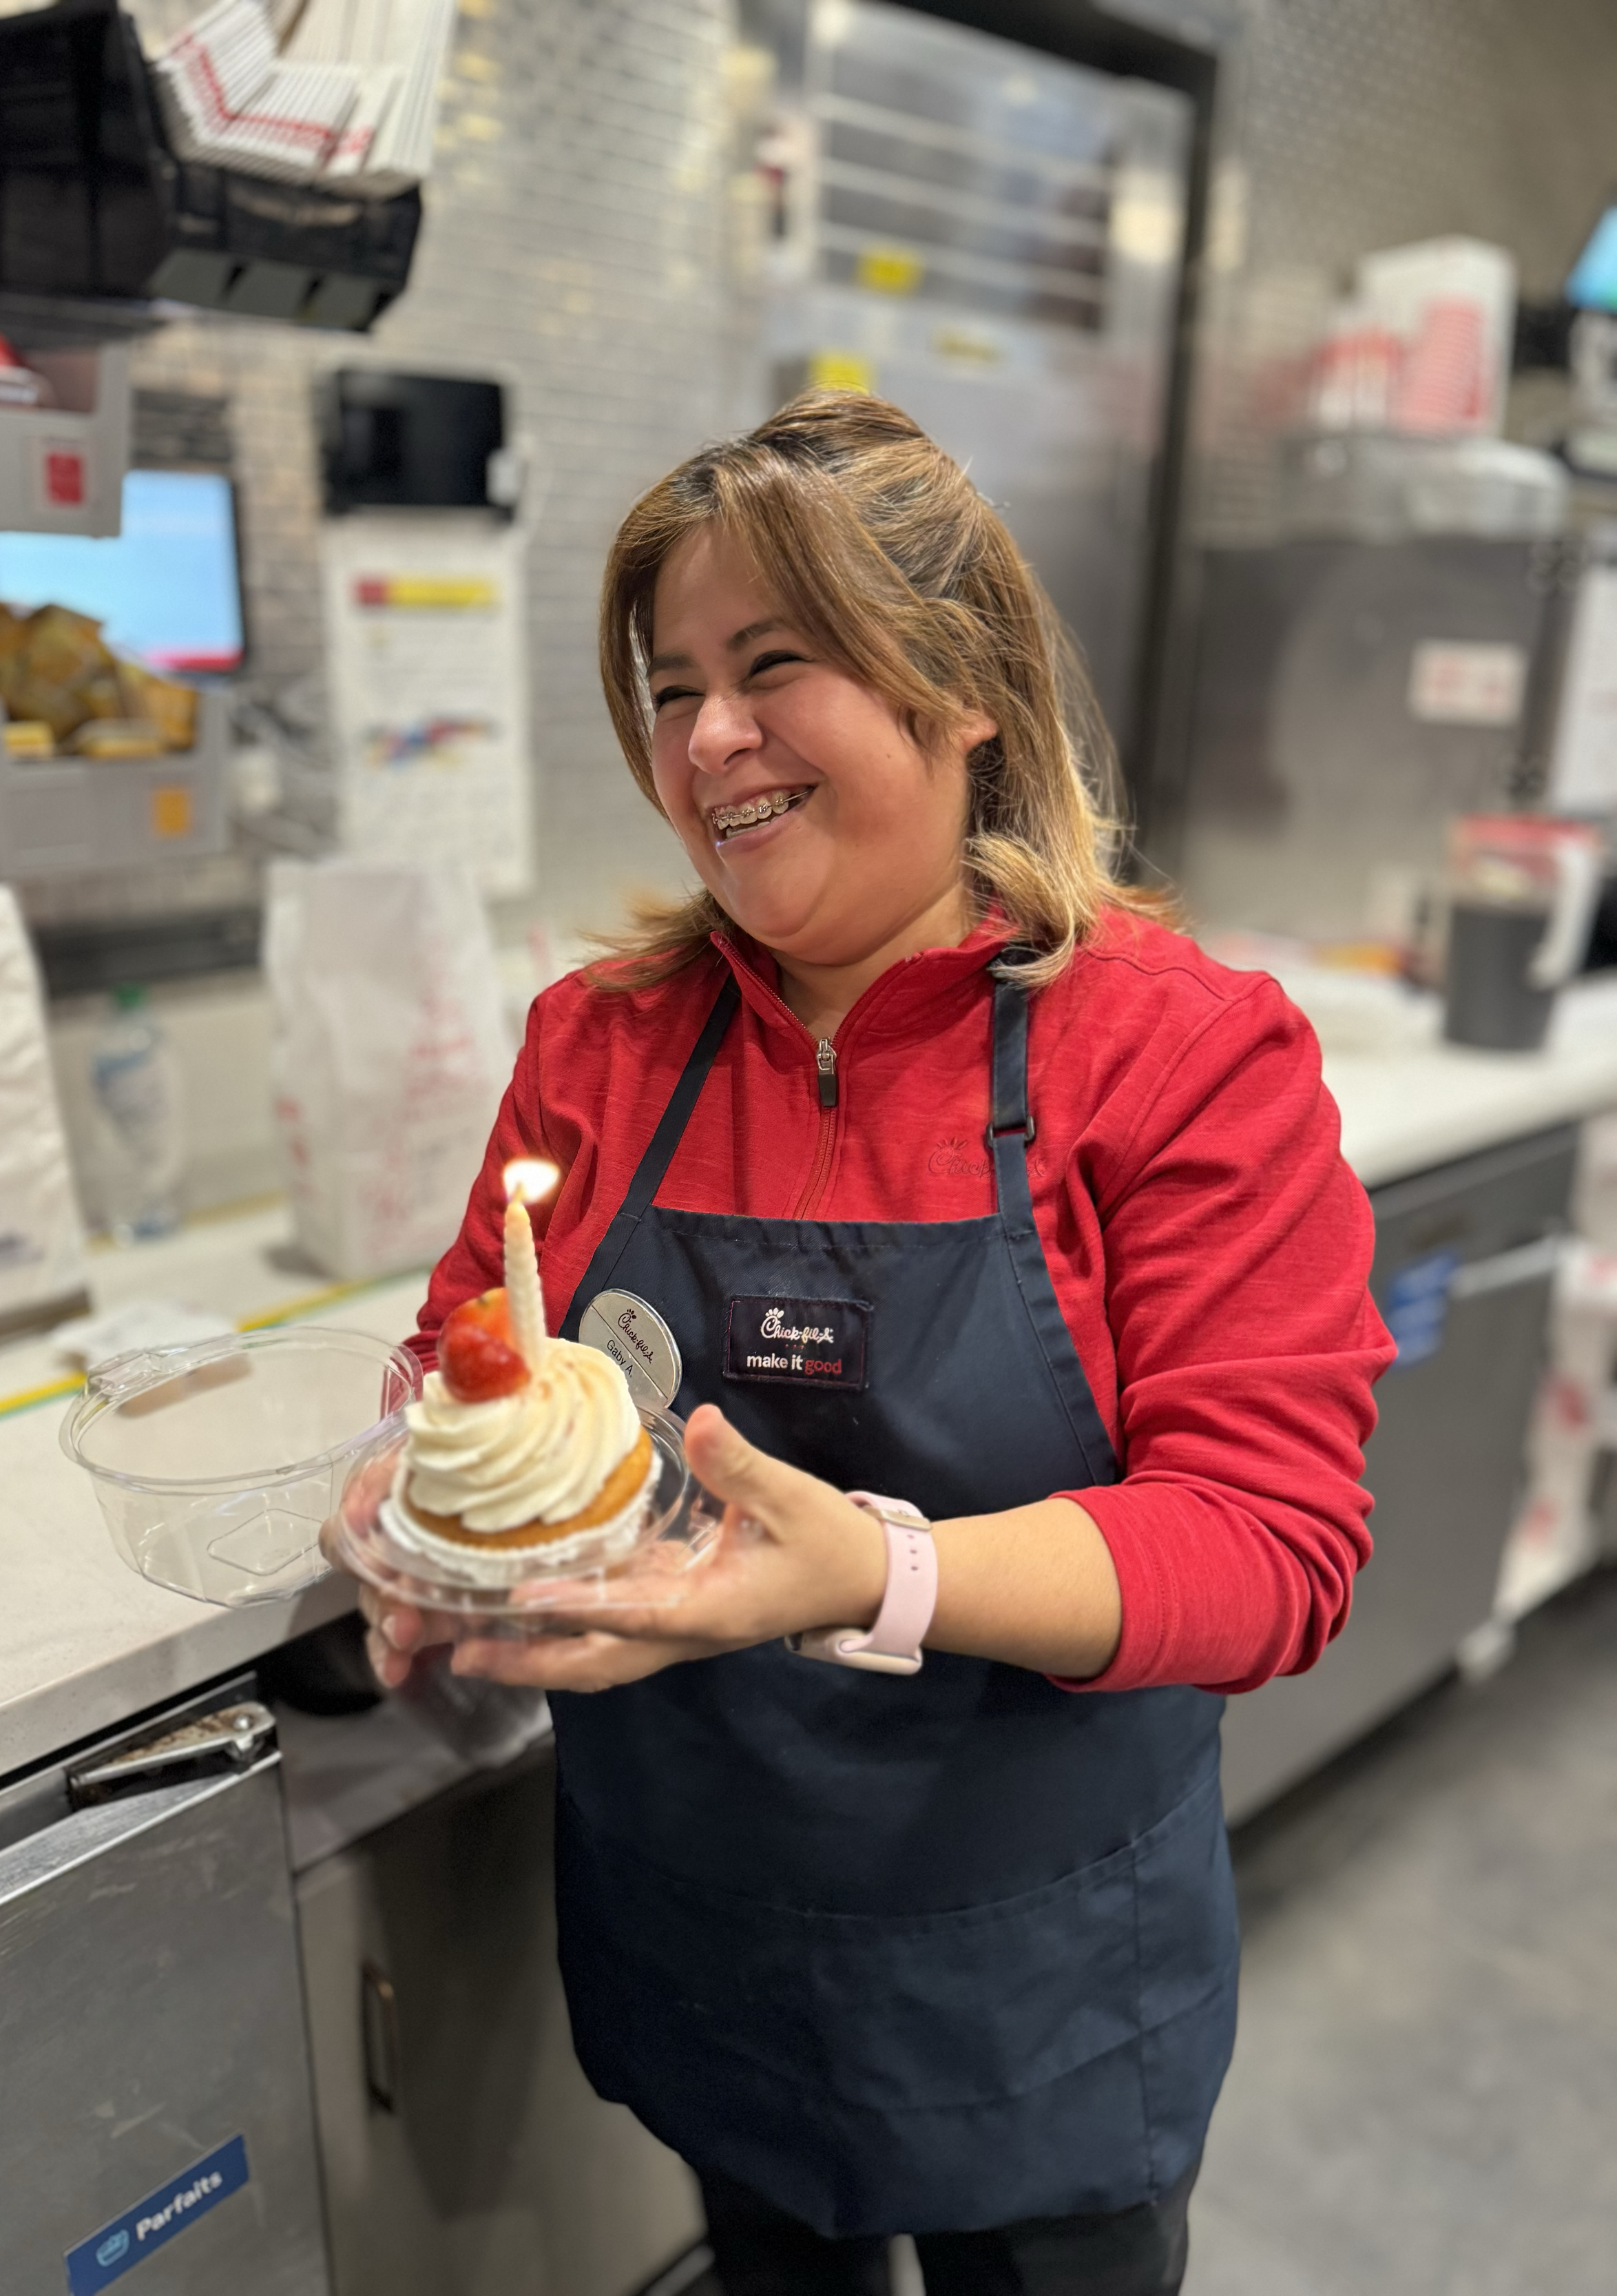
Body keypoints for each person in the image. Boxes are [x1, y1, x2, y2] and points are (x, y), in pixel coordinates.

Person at [342, 391, 1394, 2294]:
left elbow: (1267, 1544)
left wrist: (874, 1569)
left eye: (773, 665)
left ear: (960, 683)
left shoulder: (1173, 1052)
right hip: (709, 1918)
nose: (707, 740)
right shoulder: (604, 1041)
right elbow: (459, 1344)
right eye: (668, 688)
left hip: (1034, 1969)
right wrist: (413, 1492)